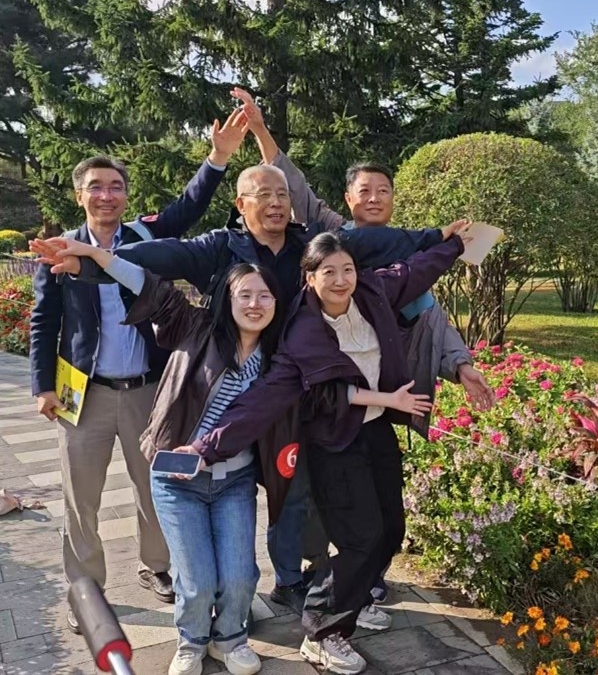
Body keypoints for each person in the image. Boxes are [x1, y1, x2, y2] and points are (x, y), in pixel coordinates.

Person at [54, 161, 461, 616]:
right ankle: (252, 587)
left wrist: (436, 238)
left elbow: (372, 243)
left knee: (305, 488)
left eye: (282, 195)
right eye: (263, 195)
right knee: (248, 487)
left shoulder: (308, 244)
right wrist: (91, 262)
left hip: (306, 391)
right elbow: (159, 258)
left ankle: (316, 578)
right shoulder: (220, 247)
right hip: (240, 392)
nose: (275, 203)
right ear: (241, 204)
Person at [231, 87, 496, 602]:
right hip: (316, 391)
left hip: (375, 402)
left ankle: (355, 578)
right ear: (348, 198)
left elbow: (431, 317)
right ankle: (301, 578)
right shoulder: (332, 235)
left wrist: (462, 365)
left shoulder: (408, 250)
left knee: (365, 497)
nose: (374, 198)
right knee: (300, 487)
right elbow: (293, 185)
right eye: (365, 191)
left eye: (383, 190)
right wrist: (260, 130)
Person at [180, 228, 469, 674]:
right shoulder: (301, 331)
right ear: (309, 277)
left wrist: (455, 245)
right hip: (334, 442)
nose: (340, 280)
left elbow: (416, 270)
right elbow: (264, 401)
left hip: (376, 431)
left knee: (391, 530)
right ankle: (321, 632)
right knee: (360, 538)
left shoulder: (372, 290)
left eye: (347, 269)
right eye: (328, 272)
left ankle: (353, 597)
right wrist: (207, 447)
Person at [29, 109, 249, 633]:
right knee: (81, 496)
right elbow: (44, 320)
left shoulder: (145, 236)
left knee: (155, 485)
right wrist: (42, 385)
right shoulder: (59, 249)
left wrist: (217, 157)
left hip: (150, 389)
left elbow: (187, 208)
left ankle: (157, 565)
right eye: (96, 187)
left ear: (126, 195)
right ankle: (87, 588)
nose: (106, 195)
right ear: (79, 195)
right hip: (83, 391)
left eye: (116, 187)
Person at [34, 235, 292, 675]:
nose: (255, 304)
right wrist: (97, 258)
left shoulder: (278, 356)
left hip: (235, 480)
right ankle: (192, 640)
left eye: (264, 295)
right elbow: (150, 287)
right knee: (196, 580)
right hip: (177, 481)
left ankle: (230, 638)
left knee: (239, 576)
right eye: (244, 294)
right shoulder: (197, 327)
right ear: (226, 299)